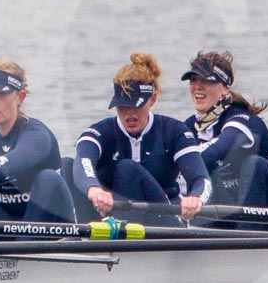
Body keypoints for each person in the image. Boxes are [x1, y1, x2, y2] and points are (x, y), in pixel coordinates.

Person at [74, 52, 209, 227]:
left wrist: (196, 198)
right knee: (68, 164)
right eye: (123, 106)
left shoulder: (174, 132)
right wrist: (93, 189)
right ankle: (82, 242)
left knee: (128, 168)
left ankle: (123, 246)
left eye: (135, 106)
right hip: (112, 222)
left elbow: (202, 180)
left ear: (152, 99)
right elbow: (83, 160)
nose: (129, 113)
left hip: (164, 221)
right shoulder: (100, 132)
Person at [0, 59, 78, 224]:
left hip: (49, 227)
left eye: (0, 94)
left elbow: (9, 163)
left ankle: (22, 247)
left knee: (48, 178)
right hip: (5, 225)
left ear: (20, 97)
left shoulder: (37, 134)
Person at [180, 50, 268, 218]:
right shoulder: (189, 126)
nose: (198, 86)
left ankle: (247, 239)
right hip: (229, 210)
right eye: (193, 80)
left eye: (206, 80)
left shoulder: (243, 120)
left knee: (253, 163)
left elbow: (215, 150)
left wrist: (179, 158)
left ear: (225, 89)